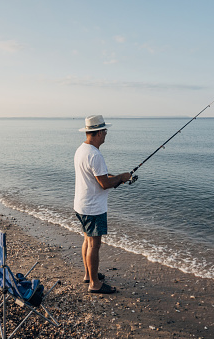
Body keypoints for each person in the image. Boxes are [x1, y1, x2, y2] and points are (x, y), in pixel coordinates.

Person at [74, 115, 131, 294]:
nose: (106, 133)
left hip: (81, 205)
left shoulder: (82, 150)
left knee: (87, 240)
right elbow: (104, 183)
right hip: (93, 208)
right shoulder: (95, 155)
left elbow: (100, 177)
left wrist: (117, 178)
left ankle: (88, 274)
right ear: (98, 133)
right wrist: (121, 177)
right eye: (104, 130)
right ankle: (94, 284)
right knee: (94, 245)